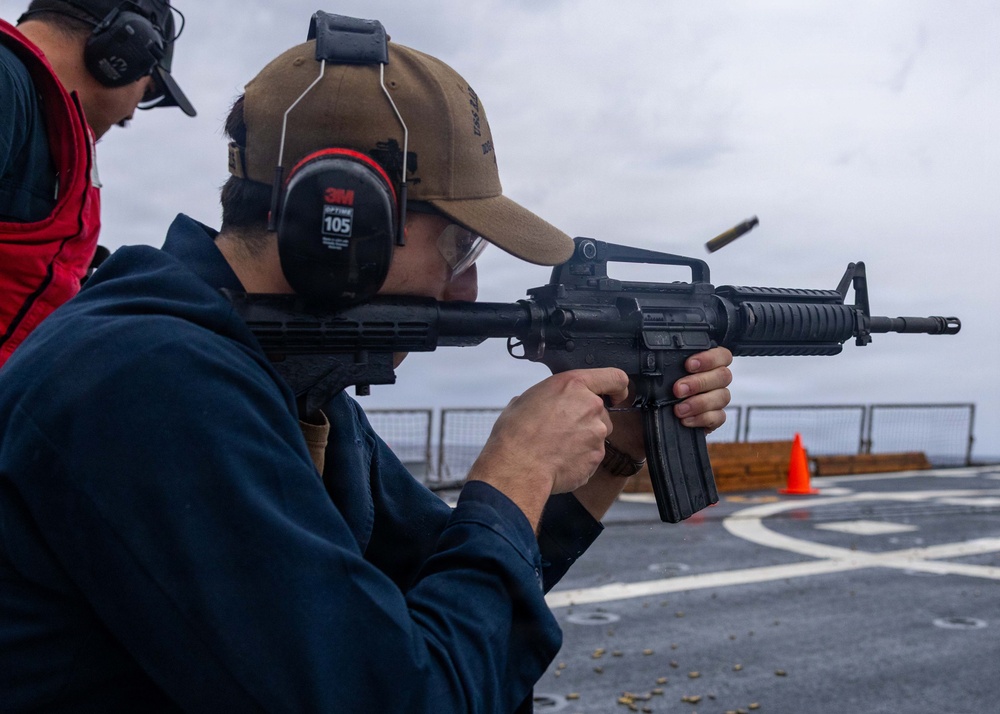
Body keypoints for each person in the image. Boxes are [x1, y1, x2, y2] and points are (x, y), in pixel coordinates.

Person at [0, 13, 733, 712]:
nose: (467, 287)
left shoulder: (275, 380)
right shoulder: (151, 382)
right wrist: (518, 472)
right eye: (456, 249)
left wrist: (616, 452)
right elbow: (401, 695)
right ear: (338, 216)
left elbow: (459, 588)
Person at [0, 0, 195, 367]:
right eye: (149, 89)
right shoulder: (6, 83)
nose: (133, 111)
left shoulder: (33, 112)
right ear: (126, 46)